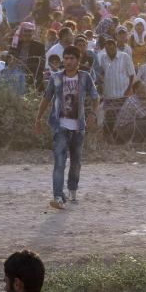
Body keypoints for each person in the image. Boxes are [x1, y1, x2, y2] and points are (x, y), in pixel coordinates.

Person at [34, 46, 100, 210]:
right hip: (60, 127)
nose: (69, 61)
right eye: (66, 58)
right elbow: (46, 98)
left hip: (78, 128)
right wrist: (38, 119)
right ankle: (58, 196)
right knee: (59, 163)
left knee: (76, 162)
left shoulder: (85, 77)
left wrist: (92, 114)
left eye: (72, 58)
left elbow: (95, 97)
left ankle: (72, 190)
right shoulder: (55, 78)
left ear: (78, 60)